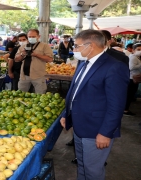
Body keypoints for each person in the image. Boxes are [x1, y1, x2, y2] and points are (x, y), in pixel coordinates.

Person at [60, 29, 129, 180]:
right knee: (82, 165)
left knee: (93, 170)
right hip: (79, 125)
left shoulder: (114, 66)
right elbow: (75, 91)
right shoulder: (83, 62)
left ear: (90, 45)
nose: (74, 50)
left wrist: (106, 133)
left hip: (96, 129)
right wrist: (67, 113)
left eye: (77, 46)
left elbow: (116, 105)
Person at [14, 29, 53, 94]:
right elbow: (16, 59)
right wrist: (22, 54)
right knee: (21, 94)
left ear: (38, 36)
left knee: (40, 96)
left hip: (38, 76)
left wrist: (36, 55)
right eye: (29, 37)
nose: (31, 38)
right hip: (24, 76)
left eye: (33, 37)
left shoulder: (44, 46)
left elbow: (50, 59)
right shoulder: (23, 46)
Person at [124, 43, 141, 116]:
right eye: (138, 49)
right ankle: (125, 110)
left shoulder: (137, 57)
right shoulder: (133, 57)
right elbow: (131, 68)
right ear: (133, 50)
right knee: (129, 95)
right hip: (132, 79)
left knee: (131, 94)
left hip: (134, 78)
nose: (140, 51)